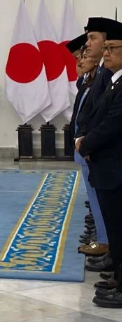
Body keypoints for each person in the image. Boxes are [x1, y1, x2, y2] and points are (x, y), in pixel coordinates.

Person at [76, 22, 122, 308]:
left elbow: (112, 124)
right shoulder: (113, 79)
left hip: (115, 166)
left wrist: (87, 143)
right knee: (115, 227)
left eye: (111, 47)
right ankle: (118, 275)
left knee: (118, 227)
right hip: (107, 164)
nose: (106, 53)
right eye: (105, 48)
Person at [71, 50, 108, 257]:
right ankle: (101, 235)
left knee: (99, 196)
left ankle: (104, 240)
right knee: (94, 197)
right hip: (82, 145)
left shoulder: (99, 84)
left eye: (84, 57)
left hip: (91, 146)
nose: (80, 60)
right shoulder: (86, 83)